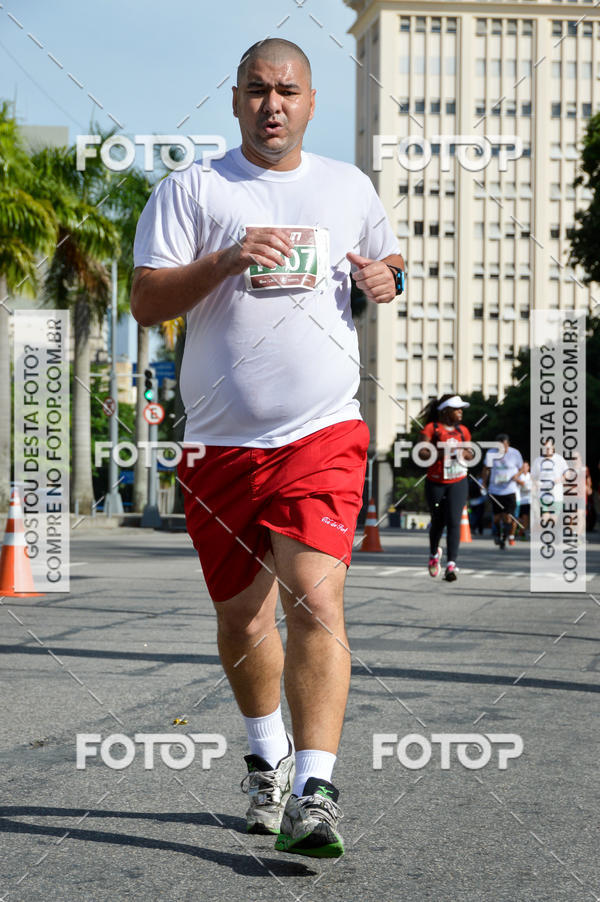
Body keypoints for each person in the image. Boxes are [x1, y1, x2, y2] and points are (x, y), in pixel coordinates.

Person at [130, 39, 404, 859]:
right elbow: (145, 300)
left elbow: (386, 261)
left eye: (287, 90)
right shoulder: (194, 189)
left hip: (322, 431)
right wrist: (224, 259)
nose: (272, 104)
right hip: (219, 444)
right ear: (238, 101)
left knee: (316, 597)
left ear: (311, 102)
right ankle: (266, 756)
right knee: (242, 618)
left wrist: (390, 278)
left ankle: (316, 791)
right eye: (257, 90)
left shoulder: (347, 186)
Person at [418, 395, 474, 582]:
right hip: (435, 482)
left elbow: (469, 453)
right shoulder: (432, 429)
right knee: (438, 521)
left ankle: (451, 564)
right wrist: (444, 451)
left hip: (458, 481)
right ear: (445, 411)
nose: (461, 412)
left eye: (461, 409)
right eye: (456, 409)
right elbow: (422, 452)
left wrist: (464, 452)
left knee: (453, 521)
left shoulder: (463, 430)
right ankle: (434, 554)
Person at [482, 434, 524, 549]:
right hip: (495, 490)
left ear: (508, 445)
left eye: (504, 447)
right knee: (496, 517)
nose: (502, 450)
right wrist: (484, 482)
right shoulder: (491, 453)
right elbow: (486, 469)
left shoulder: (515, 453)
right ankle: (496, 535)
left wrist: (517, 475)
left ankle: (504, 539)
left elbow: (522, 468)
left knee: (508, 517)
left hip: (510, 490)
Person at [531, 438, 568, 528]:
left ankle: (551, 533)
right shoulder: (538, 460)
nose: (547, 450)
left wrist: (560, 479)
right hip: (543, 493)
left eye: (548, 448)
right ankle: (547, 534)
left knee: (554, 517)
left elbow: (567, 473)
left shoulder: (559, 459)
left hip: (556, 494)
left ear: (553, 448)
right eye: (545, 448)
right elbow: (532, 476)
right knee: (545, 515)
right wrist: (536, 483)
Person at [514, 462, 531, 539]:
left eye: (526, 467)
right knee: (518, 518)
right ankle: (519, 529)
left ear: (528, 467)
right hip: (518, 499)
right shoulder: (518, 476)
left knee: (525, 517)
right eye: (523, 467)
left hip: (527, 500)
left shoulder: (531, 476)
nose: (524, 468)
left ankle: (522, 532)